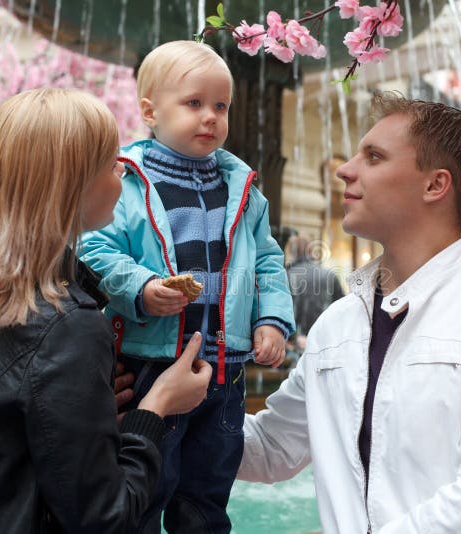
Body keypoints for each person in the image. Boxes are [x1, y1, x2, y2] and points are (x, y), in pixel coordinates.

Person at [237, 92, 461, 533]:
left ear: (435, 185)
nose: (345, 169)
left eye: (373, 157)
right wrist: (156, 407)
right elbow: (272, 446)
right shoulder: (337, 324)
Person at [0, 88, 212, 533]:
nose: (123, 169)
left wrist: (91, 422)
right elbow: (106, 519)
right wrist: (158, 407)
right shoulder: (68, 327)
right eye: (109, 163)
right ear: (69, 187)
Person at [80, 41, 295, 533]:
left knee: (207, 490)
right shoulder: (126, 178)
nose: (211, 118)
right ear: (150, 111)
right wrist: (141, 286)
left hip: (227, 366)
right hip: (150, 361)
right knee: (144, 487)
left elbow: (266, 261)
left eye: (220, 106)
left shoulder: (242, 188)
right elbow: (93, 249)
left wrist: (272, 320)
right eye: (194, 103)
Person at [284, 233, 344, 351]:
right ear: (311, 250)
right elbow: (342, 312)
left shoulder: (284, 276)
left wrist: (294, 339)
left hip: (290, 348)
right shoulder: (329, 276)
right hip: (324, 345)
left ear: (290, 251)